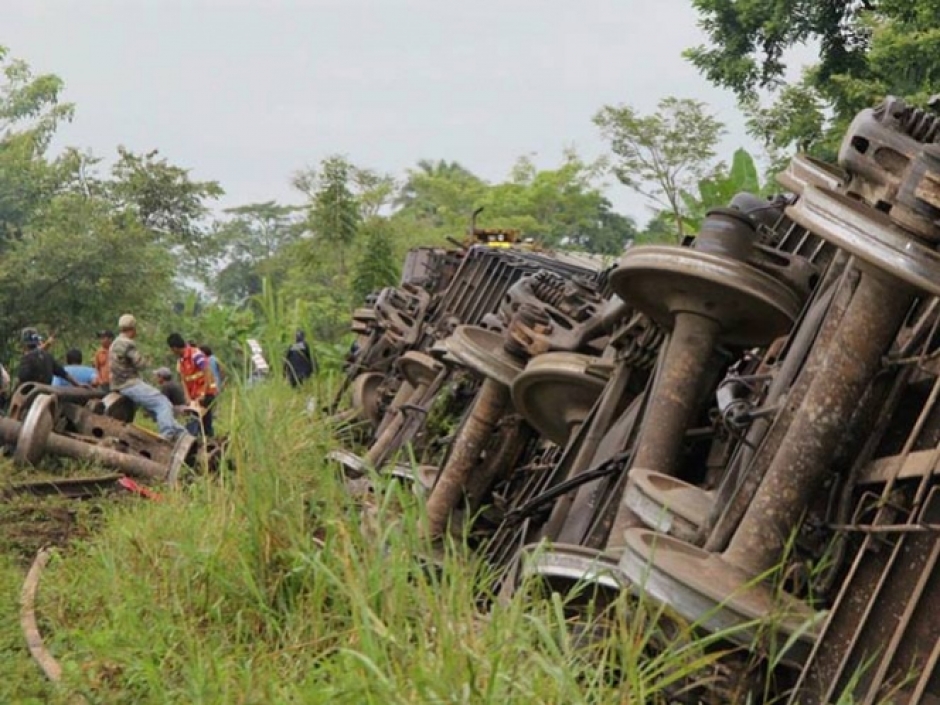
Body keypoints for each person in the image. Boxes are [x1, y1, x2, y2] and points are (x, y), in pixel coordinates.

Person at [109, 314, 186, 441]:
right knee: (163, 403)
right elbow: (140, 364)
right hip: (129, 383)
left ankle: (183, 435)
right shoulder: (127, 344)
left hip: (119, 383)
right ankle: (167, 435)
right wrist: (148, 361)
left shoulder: (114, 343)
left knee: (157, 409)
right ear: (133, 328)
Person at [167, 332, 218, 437]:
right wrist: (187, 397)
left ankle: (204, 442)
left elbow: (207, 372)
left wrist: (203, 393)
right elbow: (184, 380)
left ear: (174, 348)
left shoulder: (195, 354)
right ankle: (203, 442)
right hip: (195, 396)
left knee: (201, 421)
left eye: (171, 349)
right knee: (199, 421)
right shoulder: (181, 360)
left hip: (206, 393)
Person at [15, 327, 86, 389]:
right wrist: (78, 384)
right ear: (37, 342)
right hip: (46, 391)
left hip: (31, 393)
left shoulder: (26, 358)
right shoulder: (48, 356)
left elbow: (22, 377)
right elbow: (63, 374)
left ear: (24, 344)